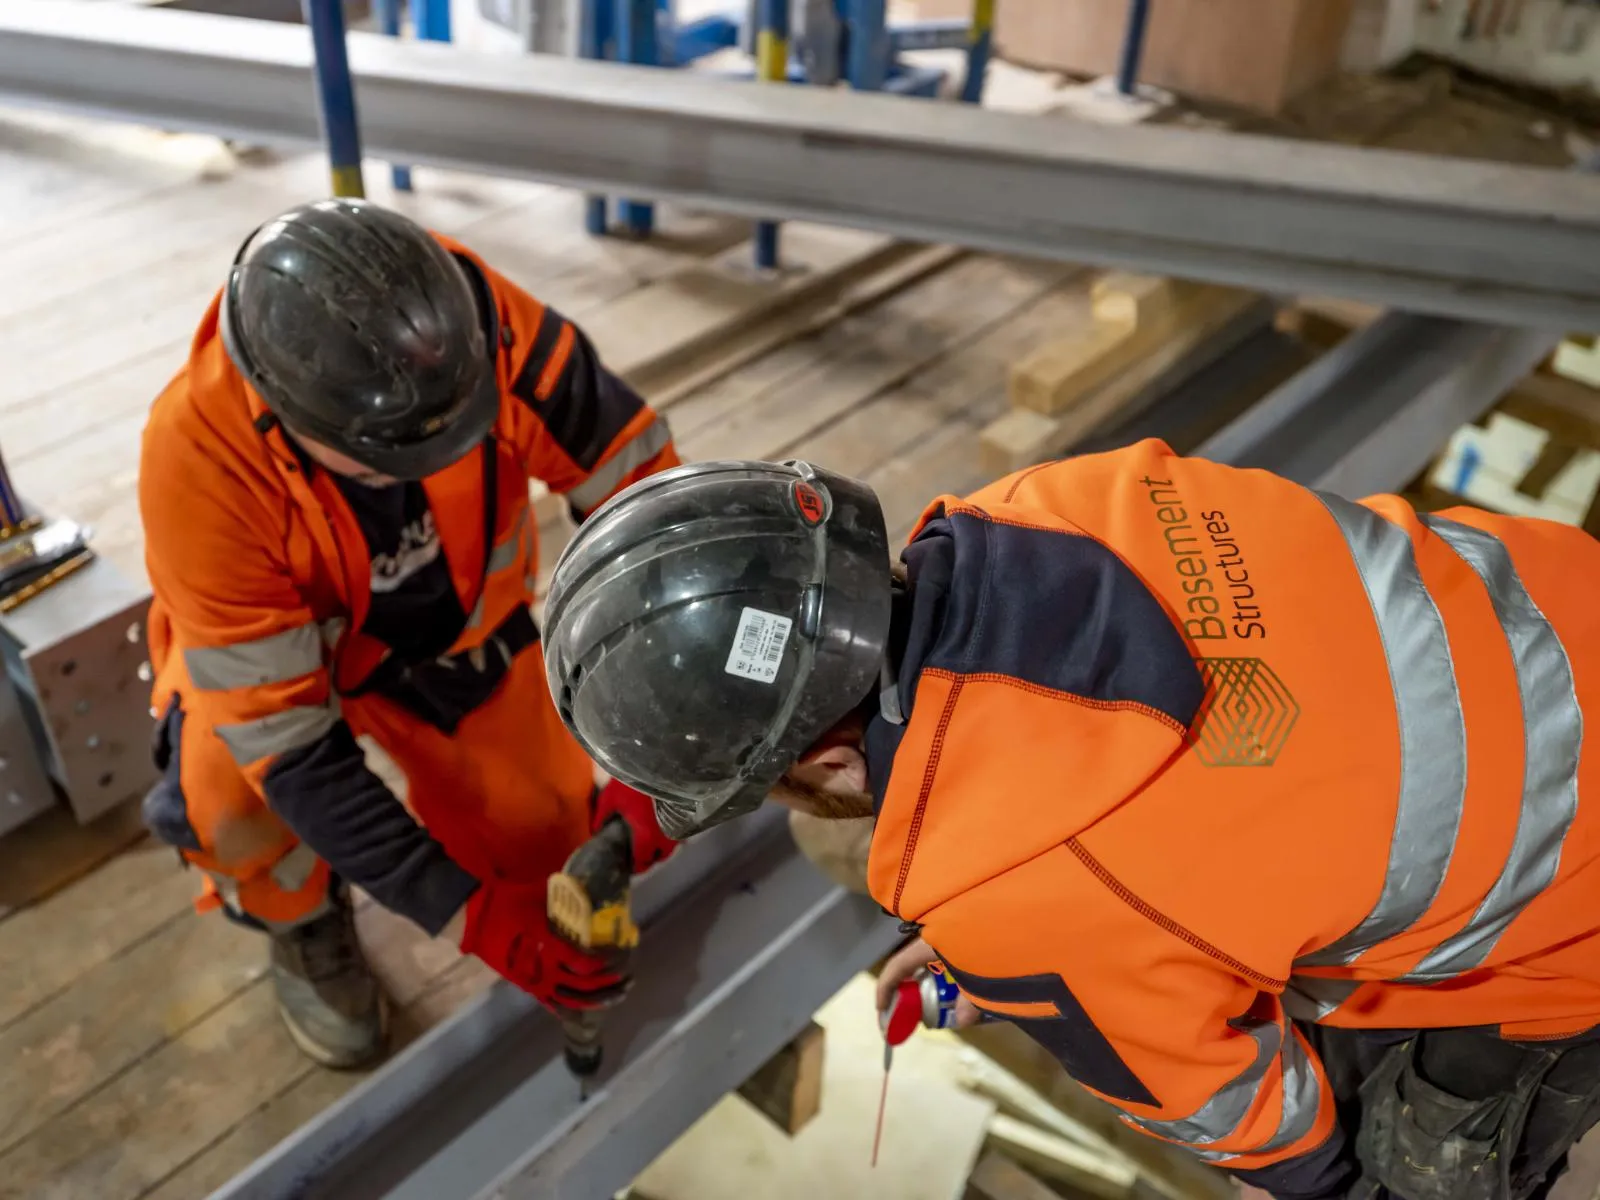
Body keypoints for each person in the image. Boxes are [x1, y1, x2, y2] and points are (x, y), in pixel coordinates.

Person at [541, 447, 1600, 1200]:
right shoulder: (1050, 499)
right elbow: (1168, 802)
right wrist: (1028, 962)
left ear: (820, 761)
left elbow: (1250, 1118)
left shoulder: (1016, 899)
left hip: (1572, 896)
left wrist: (1025, 958)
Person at [138, 197, 680, 1069]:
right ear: (293, 419)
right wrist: (466, 916)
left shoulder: (475, 322)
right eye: (397, 456)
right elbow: (290, 747)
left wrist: (663, 752)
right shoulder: (199, 456)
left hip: (457, 631)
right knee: (230, 805)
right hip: (286, 667)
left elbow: (652, 504)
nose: (438, 460)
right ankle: (304, 917)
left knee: (551, 840)